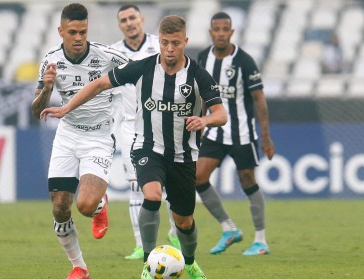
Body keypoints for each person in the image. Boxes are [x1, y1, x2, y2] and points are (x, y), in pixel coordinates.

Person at [41, 15, 227, 279]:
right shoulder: (143, 68)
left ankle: (190, 261)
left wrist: (205, 119)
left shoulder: (198, 75)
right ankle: (148, 266)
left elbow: (221, 114)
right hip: (148, 149)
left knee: (184, 221)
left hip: (183, 155)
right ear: (159, 42)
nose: (170, 49)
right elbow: (99, 83)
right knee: (151, 196)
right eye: (165, 43)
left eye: (175, 43)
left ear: (185, 41)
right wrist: (68, 106)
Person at [31, 4, 129, 279]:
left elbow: (142, 73)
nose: (77, 38)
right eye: (72, 32)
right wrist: (47, 89)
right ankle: (79, 267)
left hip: (98, 136)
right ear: (60, 31)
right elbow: (36, 110)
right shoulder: (50, 61)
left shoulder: (107, 56)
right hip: (68, 134)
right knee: (60, 207)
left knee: (85, 206)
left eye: (83, 32)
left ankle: (99, 205)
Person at [195, 12, 275, 256]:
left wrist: (265, 136)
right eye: (216, 29)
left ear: (231, 32)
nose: (220, 33)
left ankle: (260, 240)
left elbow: (259, 99)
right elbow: (201, 96)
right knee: (197, 178)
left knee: (248, 181)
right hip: (214, 131)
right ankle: (229, 229)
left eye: (225, 29)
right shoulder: (202, 58)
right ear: (211, 32)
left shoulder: (245, 61)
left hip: (242, 132)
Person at [110, 4, 180, 260]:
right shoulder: (114, 53)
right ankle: (141, 245)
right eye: (123, 20)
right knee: (136, 188)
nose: (129, 23)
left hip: (163, 122)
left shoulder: (161, 45)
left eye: (132, 18)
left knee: (172, 186)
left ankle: (175, 234)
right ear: (120, 25)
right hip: (130, 127)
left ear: (142, 19)